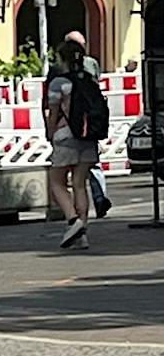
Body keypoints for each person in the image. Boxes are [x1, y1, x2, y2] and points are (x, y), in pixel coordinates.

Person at [46, 31, 108, 248]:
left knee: (56, 181)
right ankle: (83, 234)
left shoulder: (59, 83)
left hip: (65, 136)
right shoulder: (89, 80)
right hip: (88, 137)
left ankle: (73, 220)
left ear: (63, 60)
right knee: (80, 184)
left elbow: (53, 112)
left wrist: (50, 133)